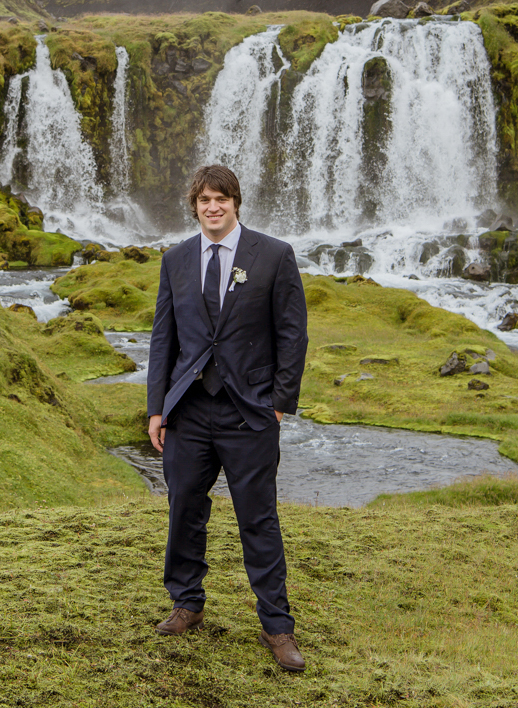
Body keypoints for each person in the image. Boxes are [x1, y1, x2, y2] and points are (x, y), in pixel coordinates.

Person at [146, 163, 309, 673]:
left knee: (258, 518)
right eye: (204, 200)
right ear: (194, 206)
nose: (212, 207)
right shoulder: (175, 259)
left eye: (221, 198)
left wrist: (279, 401)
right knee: (184, 508)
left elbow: (292, 334)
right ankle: (187, 604)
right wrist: (157, 408)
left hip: (250, 411)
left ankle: (277, 626)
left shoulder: (275, 255)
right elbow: (163, 339)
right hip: (189, 410)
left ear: (236, 203)